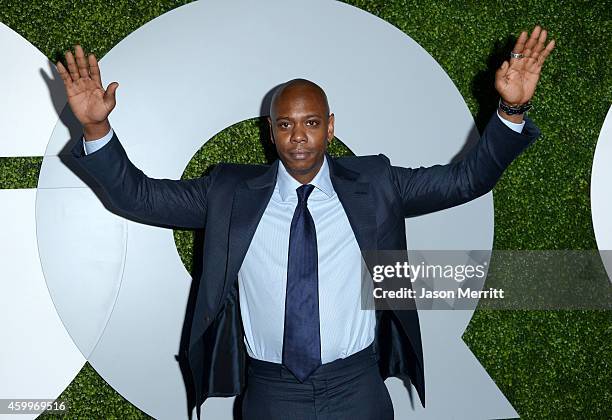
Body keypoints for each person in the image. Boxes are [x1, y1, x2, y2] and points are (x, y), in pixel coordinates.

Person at [58, 25, 554, 420]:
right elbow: (138, 197)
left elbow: (465, 180)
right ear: (270, 132)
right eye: (287, 124)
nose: (300, 136)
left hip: (357, 387)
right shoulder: (228, 192)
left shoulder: (376, 182)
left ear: (331, 127)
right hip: (270, 393)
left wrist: (510, 110)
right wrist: (96, 126)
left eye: (311, 123)